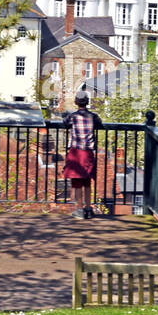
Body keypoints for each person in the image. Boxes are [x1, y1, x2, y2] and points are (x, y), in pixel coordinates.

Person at [63, 88, 102, 218]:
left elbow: (65, 123)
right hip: (88, 151)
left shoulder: (73, 116)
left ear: (76, 102)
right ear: (87, 102)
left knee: (77, 181)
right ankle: (88, 208)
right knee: (87, 181)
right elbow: (99, 123)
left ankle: (79, 209)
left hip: (75, 151)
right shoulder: (93, 116)